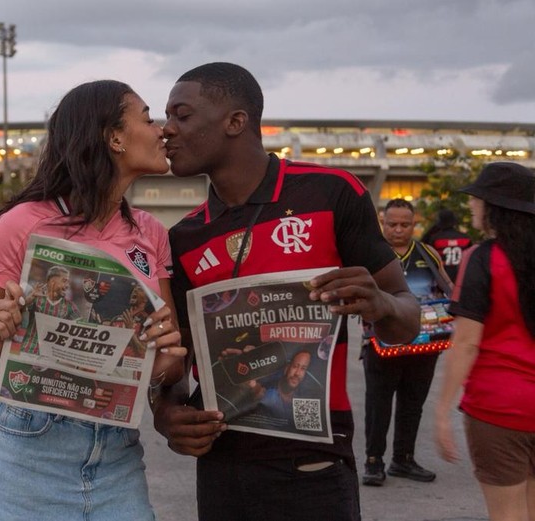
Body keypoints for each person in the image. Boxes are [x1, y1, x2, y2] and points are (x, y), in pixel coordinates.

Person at [156, 62, 420, 521]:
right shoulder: (183, 237)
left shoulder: (329, 193)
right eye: (165, 118)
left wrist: (379, 304)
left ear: (236, 122)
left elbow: (408, 318)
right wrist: (167, 413)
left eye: (182, 115)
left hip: (315, 466)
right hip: (223, 467)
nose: (166, 131)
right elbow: (175, 361)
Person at [0, 80, 187, 521]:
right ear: (114, 137)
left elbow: (167, 365)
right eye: (148, 118)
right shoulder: (22, 224)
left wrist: (163, 359)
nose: (162, 131)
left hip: (117, 452)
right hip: (29, 450)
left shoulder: (151, 233)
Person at [434, 161, 535, 521]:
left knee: (508, 515)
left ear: (495, 207)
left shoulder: (482, 258)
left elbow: (465, 343)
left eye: (477, 199)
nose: (472, 206)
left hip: (498, 407)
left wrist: (442, 409)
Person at [362, 198, 453, 486]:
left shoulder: (428, 253)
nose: (398, 230)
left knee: (413, 404)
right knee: (378, 405)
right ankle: (373, 462)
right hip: (380, 345)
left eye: (405, 224)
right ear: (382, 223)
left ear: (415, 225)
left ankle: (403, 459)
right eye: (392, 224)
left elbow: (447, 288)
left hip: (423, 345)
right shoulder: (370, 255)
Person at [250, 349, 313, 422]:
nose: (297, 373)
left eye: (303, 369)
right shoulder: (269, 388)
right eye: (295, 366)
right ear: (287, 369)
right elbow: (257, 390)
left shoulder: (303, 400)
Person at [422, 207, 473, 282]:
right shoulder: (465, 238)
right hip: (462, 279)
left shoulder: (436, 239)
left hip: (442, 279)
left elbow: (423, 247)